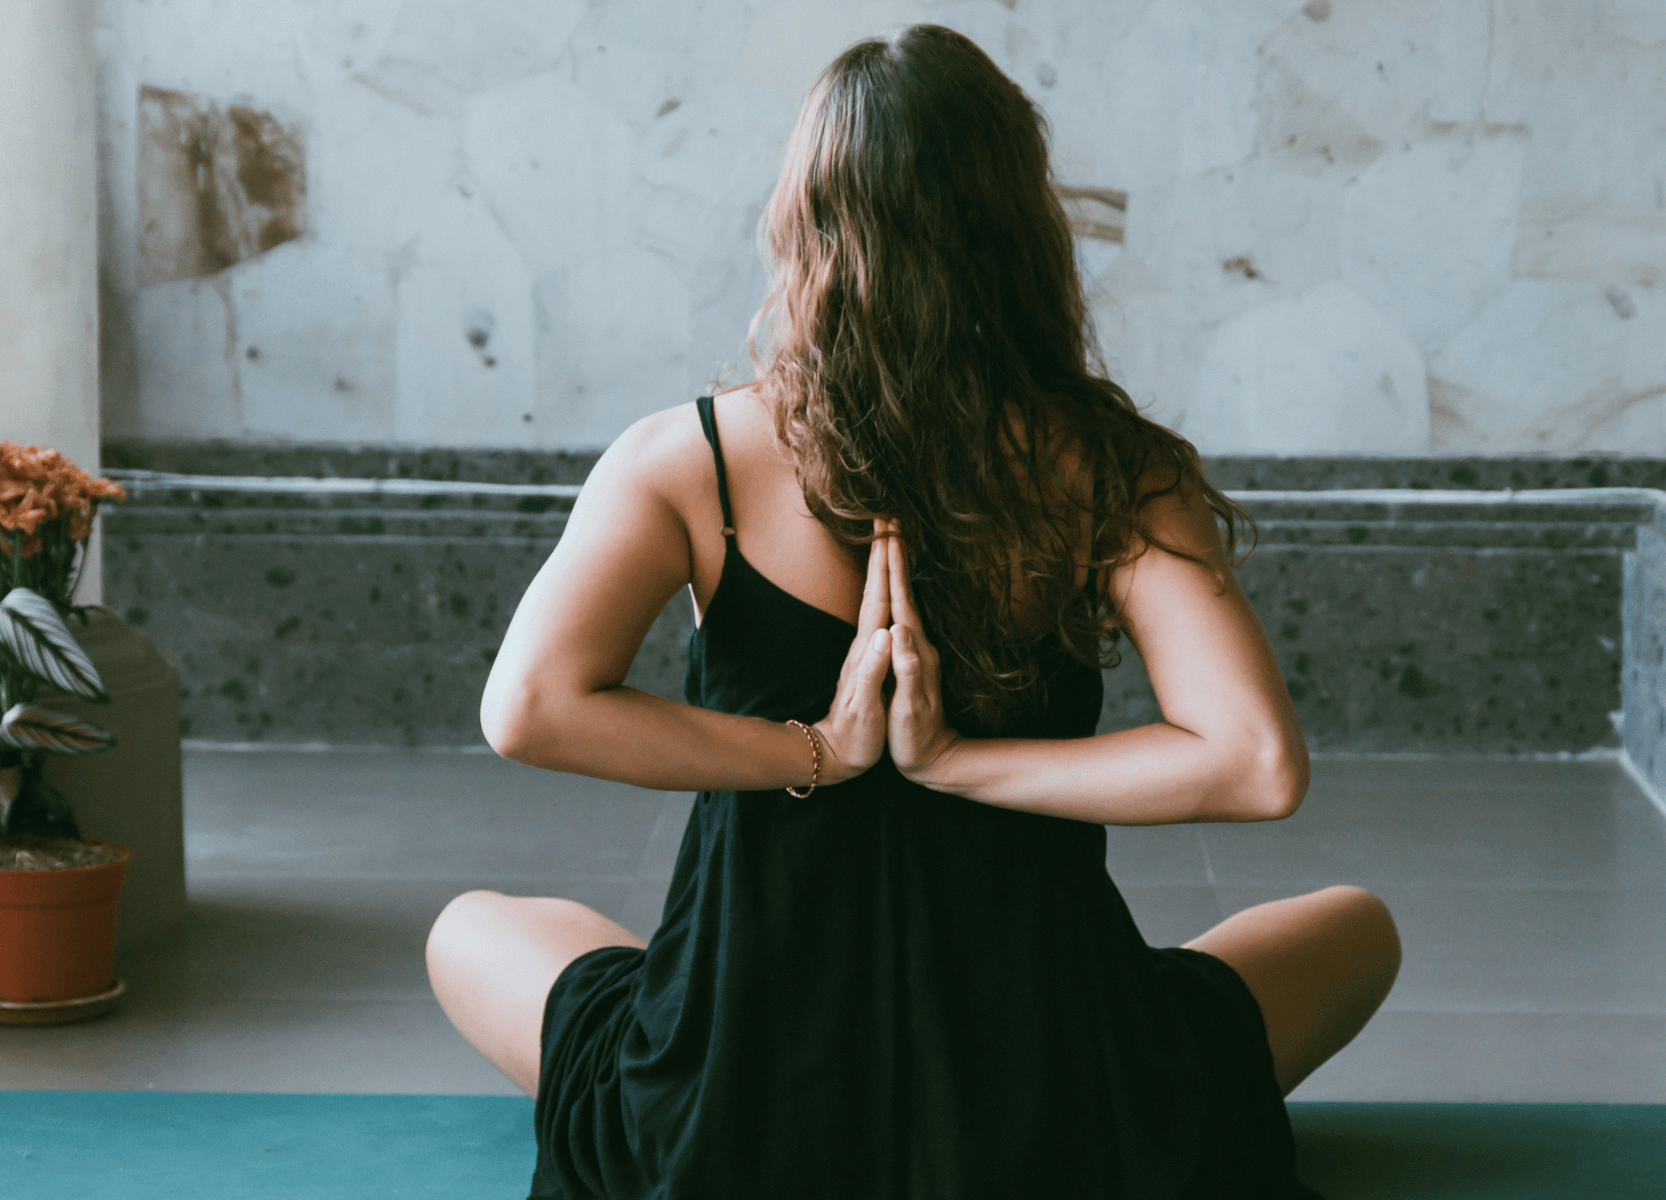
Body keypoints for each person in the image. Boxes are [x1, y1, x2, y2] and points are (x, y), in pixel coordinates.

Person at [424, 25, 1403, 1200]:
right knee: (1360, 928)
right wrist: (958, 763)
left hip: (735, 1106)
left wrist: (822, 753)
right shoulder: (1109, 469)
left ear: (803, 224)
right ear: (1020, 228)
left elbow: (526, 708)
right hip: (1055, 1104)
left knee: (468, 929)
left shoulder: (688, 461)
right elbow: (1255, 765)